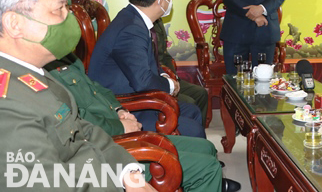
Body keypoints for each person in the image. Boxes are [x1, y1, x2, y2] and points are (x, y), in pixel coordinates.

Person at [0, 0, 155, 191]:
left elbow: (81, 130)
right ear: (15, 24)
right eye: (59, 10)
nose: (69, 19)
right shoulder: (8, 105)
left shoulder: (31, 72)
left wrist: (129, 175)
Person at [47, 53, 241, 192]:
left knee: (206, 147)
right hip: (106, 146)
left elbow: (98, 90)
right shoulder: (42, 75)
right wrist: (120, 126)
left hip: (116, 127)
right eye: (59, 9)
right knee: (207, 168)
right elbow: (78, 125)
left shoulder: (64, 58)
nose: (66, 16)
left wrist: (119, 110)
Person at [88, 0, 205, 138]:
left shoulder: (133, 18)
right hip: (122, 106)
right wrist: (171, 86)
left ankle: (198, 159)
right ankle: (195, 162)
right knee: (193, 128)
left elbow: (147, 64)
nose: (169, 1)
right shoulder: (131, 29)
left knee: (193, 111)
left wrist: (164, 75)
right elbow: (142, 81)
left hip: (133, 93)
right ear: (160, 1)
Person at [152, 17, 209, 126]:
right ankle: (183, 132)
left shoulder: (157, 21)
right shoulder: (139, 27)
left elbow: (165, 55)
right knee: (189, 103)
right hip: (157, 80)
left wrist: (174, 76)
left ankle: (199, 130)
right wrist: (168, 79)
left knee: (201, 93)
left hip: (169, 76)